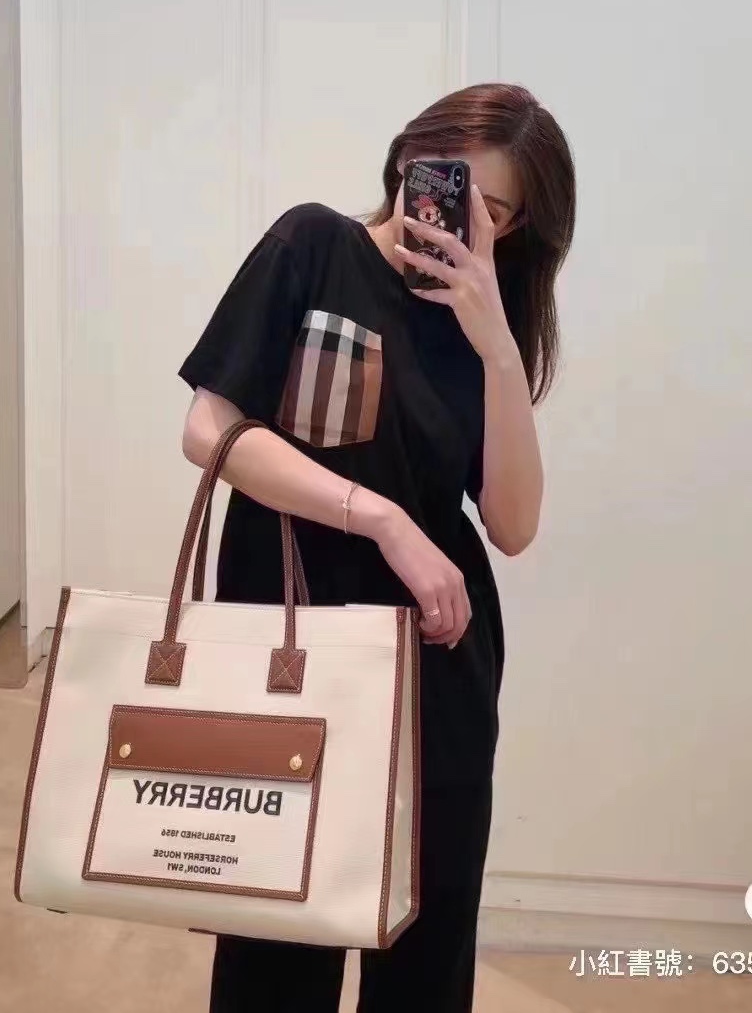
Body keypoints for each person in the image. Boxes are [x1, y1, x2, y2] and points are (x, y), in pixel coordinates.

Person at [178, 82, 576, 1013]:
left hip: (434, 668)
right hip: (289, 648)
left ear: (514, 227)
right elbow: (209, 427)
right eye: (443, 178)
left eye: (490, 208)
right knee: (275, 943)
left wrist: (498, 345)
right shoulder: (314, 245)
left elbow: (513, 525)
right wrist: (383, 518)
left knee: (426, 951)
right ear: (406, 158)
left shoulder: (484, 321)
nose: (451, 213)